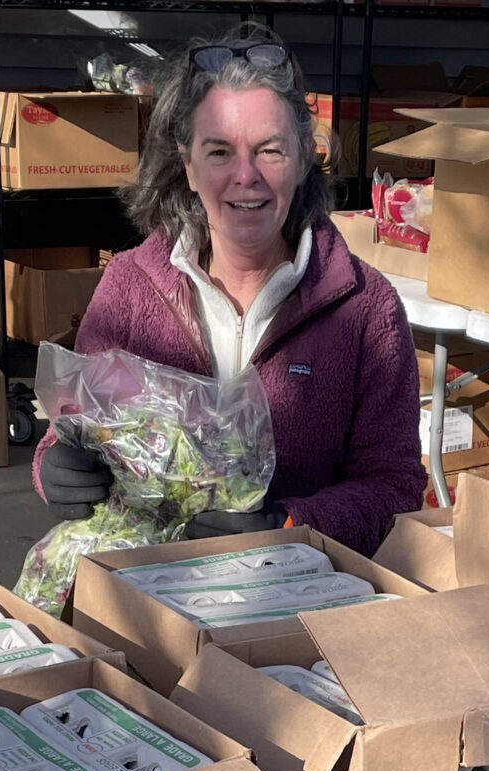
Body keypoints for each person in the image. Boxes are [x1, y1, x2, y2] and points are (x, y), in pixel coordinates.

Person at [32, 23, 427, 557]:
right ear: (187, 162)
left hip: (294, 606)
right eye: (219, 152)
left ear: (304, 156)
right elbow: (78, 429)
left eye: (270, 150)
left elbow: (395, 489)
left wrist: (289, 524)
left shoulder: (365, 307)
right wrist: (56, 465)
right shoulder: (129, 287)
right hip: (143, 589)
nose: (247, 177)